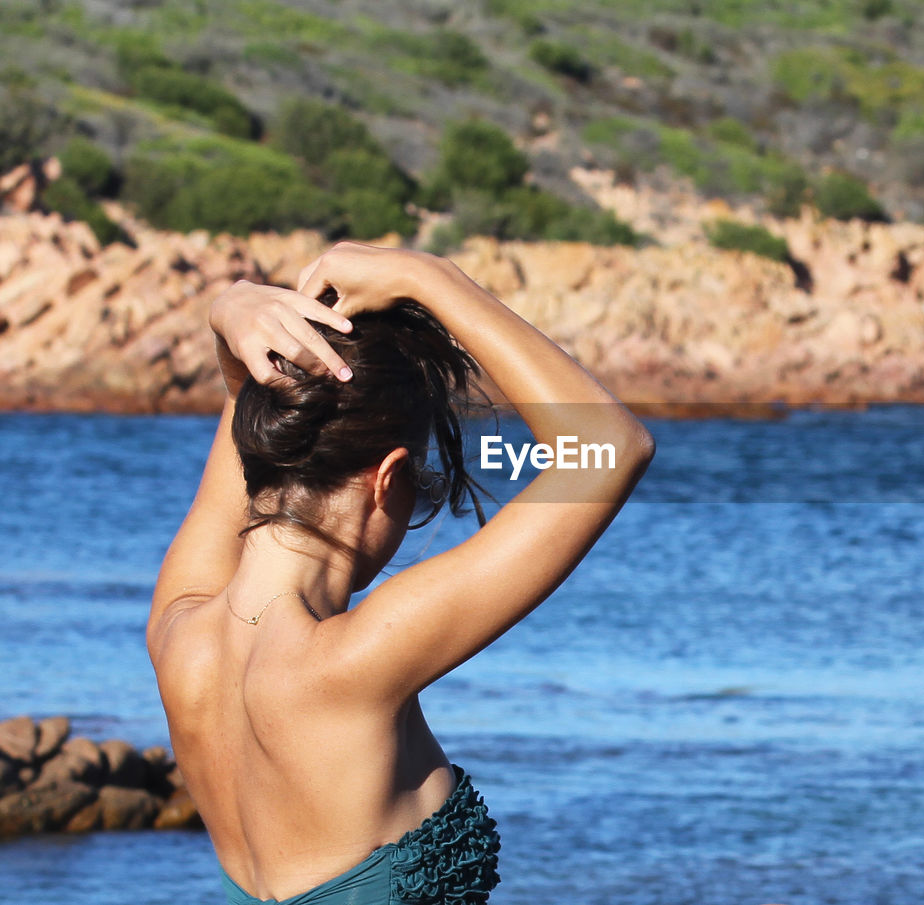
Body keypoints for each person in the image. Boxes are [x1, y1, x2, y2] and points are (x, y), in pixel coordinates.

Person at [147, 242, 655, 905]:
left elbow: (250, 408)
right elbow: (610, 449)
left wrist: (229, 311)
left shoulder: (177, 635)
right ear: (386, 479)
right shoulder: (354, 661)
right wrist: (432, 276)